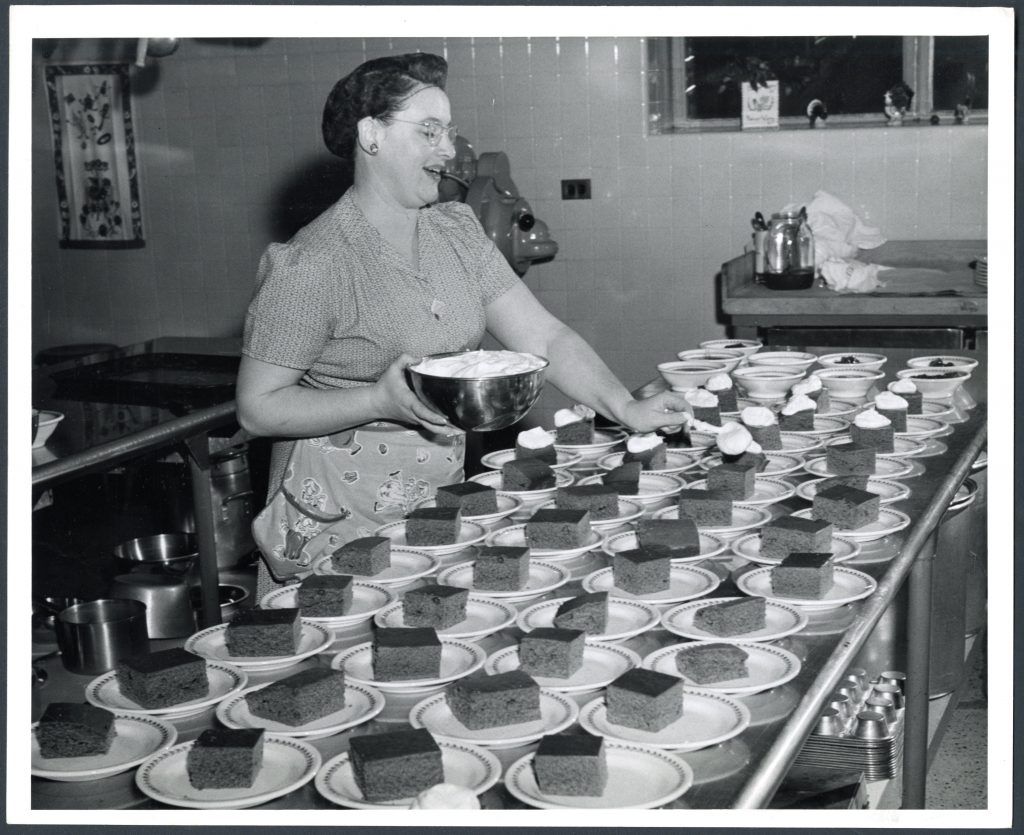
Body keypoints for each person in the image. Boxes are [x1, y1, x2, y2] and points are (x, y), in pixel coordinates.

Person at [237, 53, 690, 596]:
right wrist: (375, 401)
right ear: (370, 134)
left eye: (449, 132)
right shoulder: (314, 263)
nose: (449, 149)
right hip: (332, 521)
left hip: (433, 504)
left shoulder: (455, 230)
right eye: (429, 131)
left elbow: (544, 336)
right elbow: (257, 407)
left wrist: (625, 408)